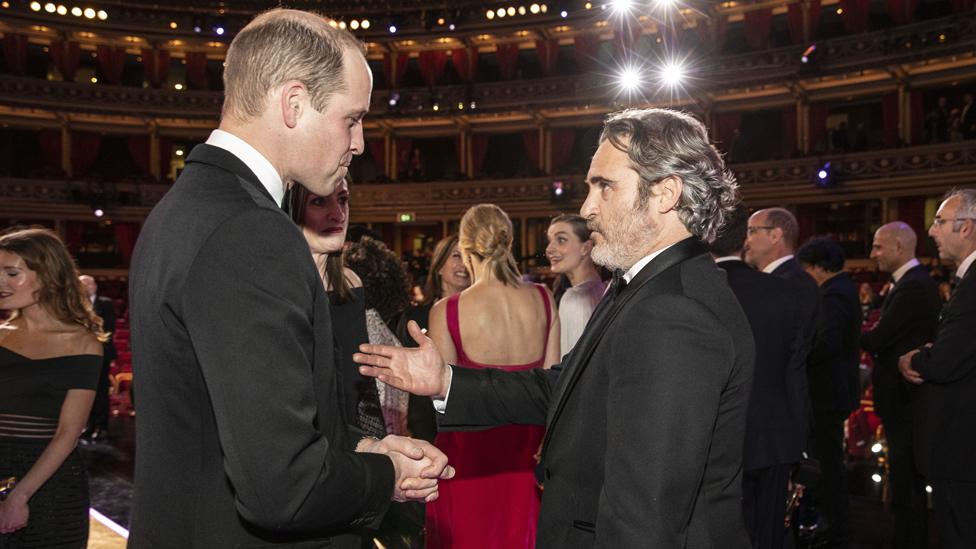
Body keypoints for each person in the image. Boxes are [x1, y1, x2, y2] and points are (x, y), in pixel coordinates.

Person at [127, 10, 452, 547]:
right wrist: (387, 477)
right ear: (294, 104)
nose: (361, 143)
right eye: (352, 118)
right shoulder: (250, 230)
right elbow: (282, 488)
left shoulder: (185, 208)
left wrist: (367, 449)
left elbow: (236, 420)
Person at [357, 108, 755, 548]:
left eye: (605, 186)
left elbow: (645, 515)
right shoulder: (647, 286)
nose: (587, 208)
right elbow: (565, 387)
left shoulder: (674, 312)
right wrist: (445, 381)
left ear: (665, 194)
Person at [419, 203, 559, 549]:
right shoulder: (543, 298)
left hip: (468, 458)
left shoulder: (445, 311)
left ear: (466, 251)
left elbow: (445, 405)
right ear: (508, 243)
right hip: (528, 454)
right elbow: (553, 390)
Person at [707, 207, 809, 549]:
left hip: (715, 439)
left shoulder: (698, 291)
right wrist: (798, 446)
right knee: (767, 536)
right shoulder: (783, 291)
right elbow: (795, 374)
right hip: (774, 437)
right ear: (743, 243)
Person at [0, 228, 106, 546]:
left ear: (46, 275)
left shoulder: (84, 345)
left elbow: (68, 434)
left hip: (52, 487)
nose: (1, 282)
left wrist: (20, 497)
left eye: (12, 273)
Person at [900, 189, 976, 549]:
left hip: (963, 451)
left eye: (940, 221)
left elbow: (947, 362)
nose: (931, 231)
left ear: (967, 228)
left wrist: (913, 359)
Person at [860, 221, 941, 549]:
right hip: (903, 398)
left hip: (907, 399)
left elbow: (880, 338)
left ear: (899, 247)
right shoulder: (907, 283)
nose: (871, 254)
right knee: (904, 480)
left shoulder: (913, 286)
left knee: (907, 481)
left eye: (878, 246)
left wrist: (847, 332)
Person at [289, 180, 386, 440]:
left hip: (352, 440)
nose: (338, 214)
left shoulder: (351, 283)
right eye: (319, 202)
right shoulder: (279, 288)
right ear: (292, 210)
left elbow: (363, 386)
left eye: (342, 200)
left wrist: (376, 447)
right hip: (300, 441)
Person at [797, 237, 863, 548]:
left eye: (807, 268)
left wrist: (795, 353)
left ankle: (834, 525)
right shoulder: (842, 290)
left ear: (819, 267)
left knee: (828, 462)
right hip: (833, 391)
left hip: (826, 393)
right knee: (829, 459)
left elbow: (826, 343)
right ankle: (833, 522)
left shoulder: (833, 295)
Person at [396, 235, 469, 444]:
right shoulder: (416, 317)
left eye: (469, 257)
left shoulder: (482, 318)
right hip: (426, 422)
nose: (464, 264)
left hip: (470, 416)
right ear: (438, 266)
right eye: (456, 256)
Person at [546, 213, 606, 356]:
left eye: (561, 240)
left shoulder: (575, 299)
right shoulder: (604, 289)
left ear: (586, 248)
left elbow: (568, 371)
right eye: (549, 241)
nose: (549, 249)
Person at [78, 274, 117, 442]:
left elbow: (109, 329)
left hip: (101, 353)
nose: (85, 287)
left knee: (101, 391)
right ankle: (88, 425)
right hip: (81, 355)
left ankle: (102, 427)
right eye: (82, 284)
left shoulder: (105, 303)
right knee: (84, 393)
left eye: (88, 283)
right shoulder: (75, 304)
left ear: (95, 286)